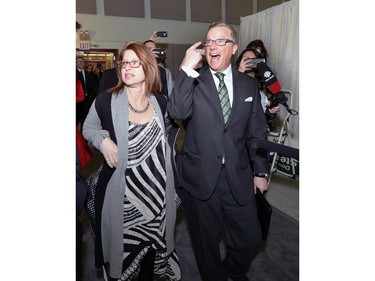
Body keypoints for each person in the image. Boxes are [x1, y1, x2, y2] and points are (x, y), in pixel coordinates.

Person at [167, 21, 269, 281]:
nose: (212, 46)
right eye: (209, 41)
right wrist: (185, 70)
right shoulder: (193, 80)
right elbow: (177, 112)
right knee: (205, 243)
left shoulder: (249, 86)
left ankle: (233, 269)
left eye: (220, 41)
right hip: (200, 177)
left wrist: (260, 171)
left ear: (233, 48)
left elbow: (256, 132)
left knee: (249, 237)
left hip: (238, 174)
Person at [82, 42, 181, 280]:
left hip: (158, 199)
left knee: (150, 261)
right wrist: (103, 140)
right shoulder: (106, 101)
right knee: (123, 263)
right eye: (124, 62)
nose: (127, 67)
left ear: (148, 67)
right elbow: (89, 127)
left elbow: (171, 133)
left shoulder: (162, 103)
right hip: (123, 202)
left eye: (134, 62)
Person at [236, 47, 280, 132]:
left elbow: (265, 110)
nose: (249, 62)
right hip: (239, 124)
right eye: (245, 59)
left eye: (252, 60)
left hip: (258, 125)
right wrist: (240, 72)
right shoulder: (233, 77)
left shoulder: (264, 80)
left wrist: (271, 111)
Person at [76, 56, 97, 126]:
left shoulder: (89, 75)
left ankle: (83, 135)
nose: (80, 63)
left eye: (82, 61)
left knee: (85, 119)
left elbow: (94, 87)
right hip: (77, 101)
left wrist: (93, 98)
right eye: (78, 61)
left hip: (87, 100)